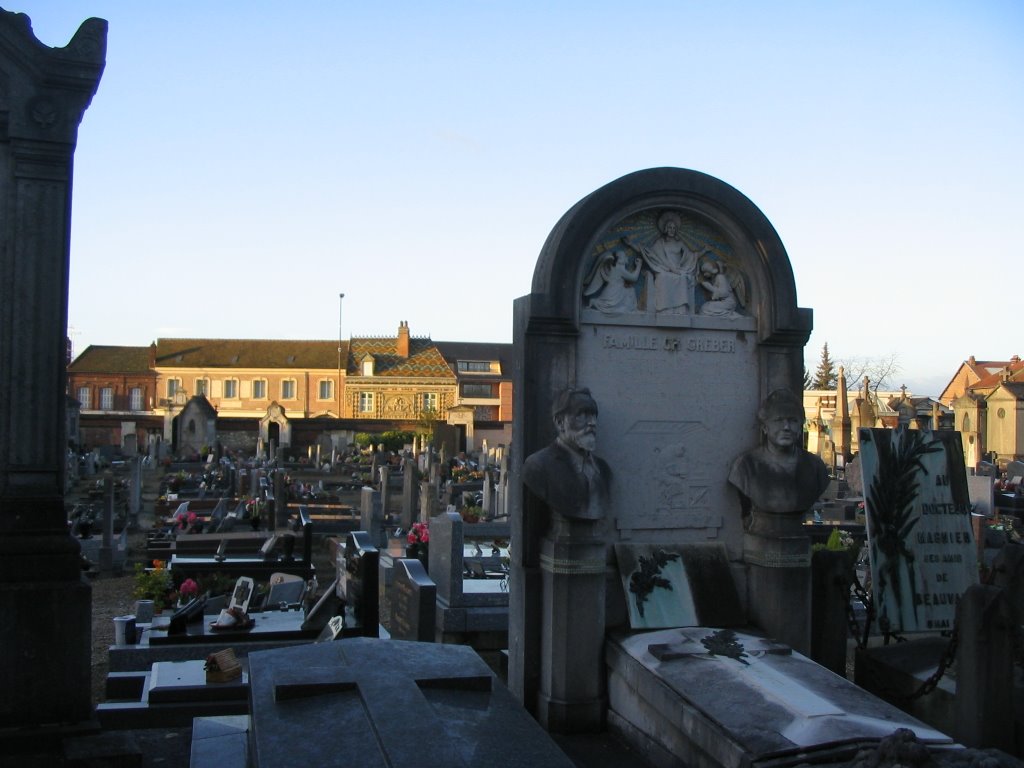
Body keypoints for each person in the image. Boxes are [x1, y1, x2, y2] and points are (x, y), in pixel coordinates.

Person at [728, 389, 829, 536]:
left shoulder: (816, 467)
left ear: (800, 427)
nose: (786, 427)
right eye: (778, 420)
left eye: (792, 420)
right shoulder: (745, 468)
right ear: (764, 427)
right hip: (761, 540)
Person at [522, 387, 611, 522]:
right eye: (582, 415)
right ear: (560, 422)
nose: (592, 422)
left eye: (593, 415)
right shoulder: (538, 466)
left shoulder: (604, 469)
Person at [621, 211, 697, 314]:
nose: (672, 230)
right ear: (665, 229)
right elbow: (647, 252)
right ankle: (665, 309)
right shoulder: (660, 243)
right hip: (664, 268)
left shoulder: (679, 243)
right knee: (663, 277)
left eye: (674, 228)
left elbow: (691, 256)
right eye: (670, 227)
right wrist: (631, 244)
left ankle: (680, 309)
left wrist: (703, 251)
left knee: (683, 278)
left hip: (678, 270)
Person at [582, 249, 641, 314]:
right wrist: (639, 266)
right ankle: (595, 302)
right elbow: (634, 278)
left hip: (614, 291)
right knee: (630, 292)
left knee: (630, 291)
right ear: (621, 259)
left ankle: (595, 302)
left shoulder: (614, 268)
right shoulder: (620, 269)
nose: (627, 257)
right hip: (614, 293)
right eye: (625, 256)